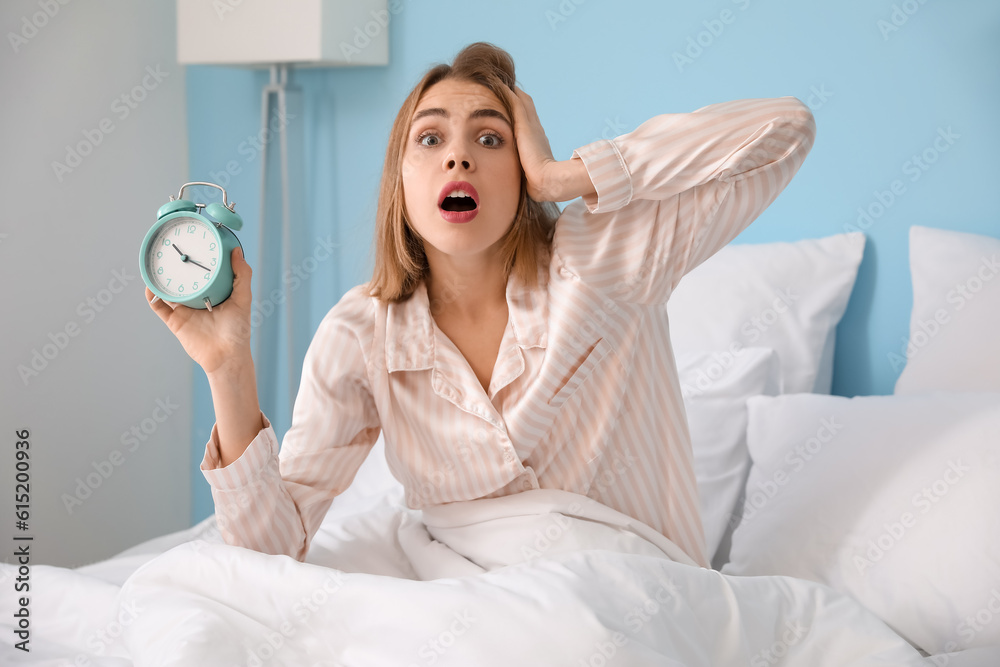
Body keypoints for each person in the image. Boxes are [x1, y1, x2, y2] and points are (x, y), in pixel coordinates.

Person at [146, 42, 816, 569]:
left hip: (626, 593)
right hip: (451, 605)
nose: (458, 156)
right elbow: (267, 553)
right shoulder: (361, 331)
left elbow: (783, 131)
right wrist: (229, 366)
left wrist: (565, 175)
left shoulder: (604, 261)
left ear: (521, 170)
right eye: (430, 138)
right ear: (401, 180)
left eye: (491, 138)